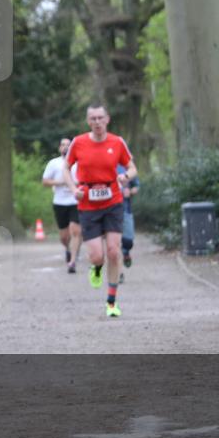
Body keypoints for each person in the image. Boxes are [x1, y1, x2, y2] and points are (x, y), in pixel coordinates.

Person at [62, 103, 138, 317]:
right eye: (93, 118)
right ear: (88, 121)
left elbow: (133, 168)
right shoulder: (78, 143)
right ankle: (96, 267)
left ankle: (111, 303)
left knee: (114, 251)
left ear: (107, 119)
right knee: (97, 256)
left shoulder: (117, 142)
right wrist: (73, 188)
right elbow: (66, 168)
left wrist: (126, 176)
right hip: (87, 204)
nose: (97, 122)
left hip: (113, 201)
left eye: (100, 118)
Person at [41, 138, 81, 273]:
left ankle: (72, 262)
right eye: (63, 145)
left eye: (69, 145)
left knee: (75, 230)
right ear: (59, 148)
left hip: (76, 201)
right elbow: (45, 181)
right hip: (59, 202)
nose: (66, 147)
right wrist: (60, 182)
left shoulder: (79, 162)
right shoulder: (54, 163)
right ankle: (69, 249)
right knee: (64, 237)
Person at [116, 164, 140, 283]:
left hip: (126, 209)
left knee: (128, 241)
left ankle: (126, 253)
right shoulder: (105, 164)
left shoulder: (127, 167)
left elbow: (136, 186)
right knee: (115, 244)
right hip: (111, 211)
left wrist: (130, 191)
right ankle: (119, 273)